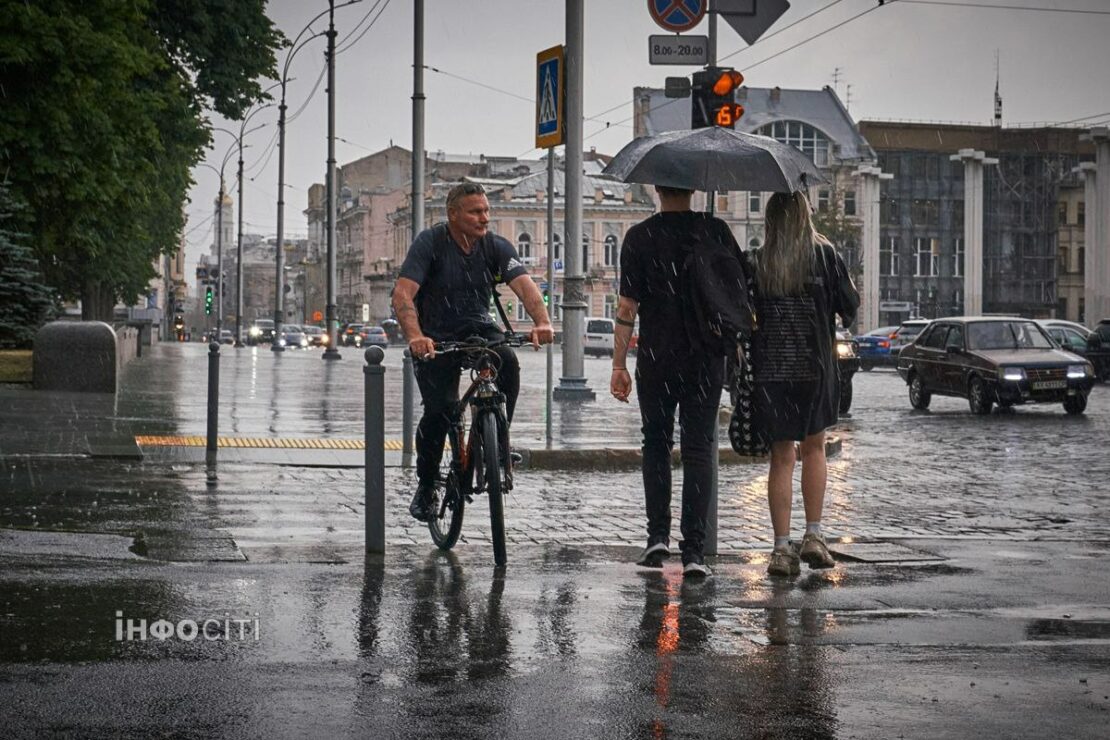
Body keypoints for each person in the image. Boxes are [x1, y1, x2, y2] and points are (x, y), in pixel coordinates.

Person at [392, 182, 555, 521]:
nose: (484, 218)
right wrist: (416, 337)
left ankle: (499, 445)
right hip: (435, 336)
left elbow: (525, 285)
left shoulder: (494, 246)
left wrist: (541, 321)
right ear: (453, 214)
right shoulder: (431, 243)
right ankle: (426, 486)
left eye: (486, 211)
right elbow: (403, 295)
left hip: (478, 327)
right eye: (475, 211)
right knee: (440, 411)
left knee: (507, 360)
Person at [610, 184, 745, 578]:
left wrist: (619, 365)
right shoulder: (715, 231)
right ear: (693, 187)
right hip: (705, 356)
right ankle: (695, 552)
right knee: (699, 449)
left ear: (656, 187)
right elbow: (737, 292)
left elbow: (626, 308)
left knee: (655, 443)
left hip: (657, 357)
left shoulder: (639, 237)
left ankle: (656, 537)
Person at [749, 191, 859, 577]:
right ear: (805, 215)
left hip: (774, 368)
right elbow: (850, 305)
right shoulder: (825, 256)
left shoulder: (760, 260)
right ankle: (813, 535)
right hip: (816, 366)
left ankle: (781, 549)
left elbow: (747, 315)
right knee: (814, 449)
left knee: (781, 457)